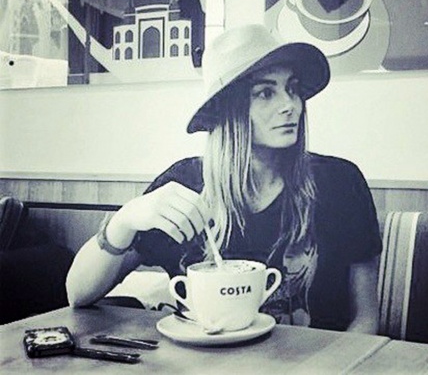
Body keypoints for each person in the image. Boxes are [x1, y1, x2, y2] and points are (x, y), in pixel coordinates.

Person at [66, 24, 382, 333]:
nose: (290, 106)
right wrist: (125, 220)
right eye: (266, 93)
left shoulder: (340, 183)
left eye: (293, 89)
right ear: (227, 110)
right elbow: (78, 293)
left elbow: (366, 318)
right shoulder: (183, 185)